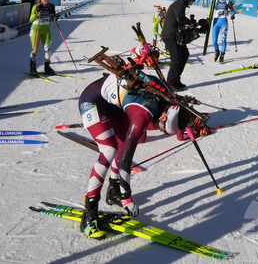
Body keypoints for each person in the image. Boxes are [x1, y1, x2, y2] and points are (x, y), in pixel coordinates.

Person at [77, 53, 206, 238]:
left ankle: (113, 190)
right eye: (162, 127)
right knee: (109, 149)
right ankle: (89, 211)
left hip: (115, 103)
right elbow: (126, 161)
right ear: (163, 116)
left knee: (120, 146)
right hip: (92, 100)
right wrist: (127, 197)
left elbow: (178, 114)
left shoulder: (169, 96)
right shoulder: (142, 116)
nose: (160, 130)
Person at [160, 0, 200, 91]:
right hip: (169, 35)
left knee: (184, 54)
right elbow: (180, 17)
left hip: (174, 34)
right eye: (192, 1)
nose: (192, 3)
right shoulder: (180, 3)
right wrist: (190, 23)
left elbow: (179, 20)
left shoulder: (181, 3)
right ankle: (171, 83)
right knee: (176, 59)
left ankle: (176, 80)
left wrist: (190, 25)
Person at [28, 0, 58, 75]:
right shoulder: (36, 6)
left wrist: (54, 15)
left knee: (48, 49)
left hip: (46, 29)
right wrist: (37, 14)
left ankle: (47, 67)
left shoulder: (51, 6)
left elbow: (53, 17)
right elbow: (30, 20)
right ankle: (32, 67)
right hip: (36, 29)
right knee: (35, 49)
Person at [210, 0, 233, 64]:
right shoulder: (215, 1)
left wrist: (233, 14)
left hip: (224, 23)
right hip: (216, 22)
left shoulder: (227, 1)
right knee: (214, 41)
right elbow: (211, 10)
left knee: (223, 41)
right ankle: (217, 52)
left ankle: (222, 55)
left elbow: (233, 10)